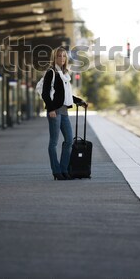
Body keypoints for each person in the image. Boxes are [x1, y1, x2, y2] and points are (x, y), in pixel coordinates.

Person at [41, 47, 87, 180]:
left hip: (64, 111)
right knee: (53, 142)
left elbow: (65, 95)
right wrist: (51, 109)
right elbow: (45, 93)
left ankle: (64, 169)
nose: (62, 58)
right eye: (59, 56)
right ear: (54, 58)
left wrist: (80, 101)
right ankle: (56, 171)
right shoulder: (51, 72)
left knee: (68, 140)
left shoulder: (65, 73)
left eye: (64, 56)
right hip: (55, 111)